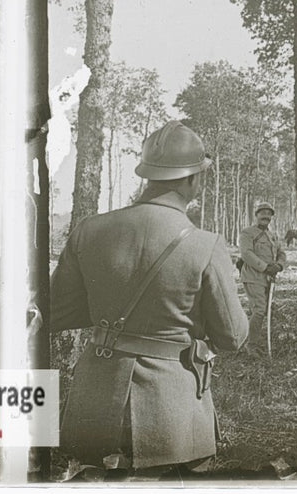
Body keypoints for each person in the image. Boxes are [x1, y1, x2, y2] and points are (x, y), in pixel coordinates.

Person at [50, 121, 249, 475]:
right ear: (191, 179)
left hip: (94, 400)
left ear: (148, 176)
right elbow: (232, 337)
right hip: (171, 413)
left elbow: (59, 313)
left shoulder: (89, 230)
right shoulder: (206, 245)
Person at [237, 201, 285, 353]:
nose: (266, 216)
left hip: (269, 279)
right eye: (262, 213)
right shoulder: (247, 233)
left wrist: (279, 265)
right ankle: (251, 346)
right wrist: (265, 268)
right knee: (259, 310)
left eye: (269, 213)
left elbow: (281, 253)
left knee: (261, 311)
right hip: (253, 276)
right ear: (256, 215)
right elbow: (246, 254)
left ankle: (253, 341)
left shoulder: (273, 236)